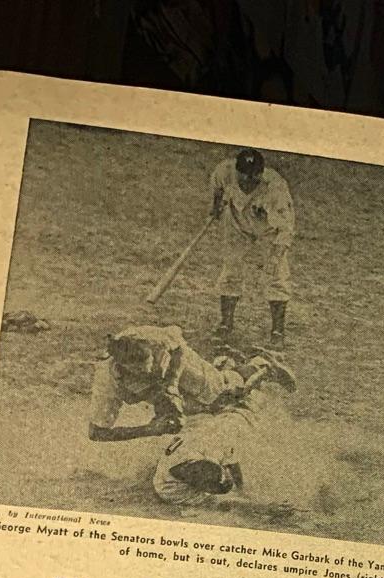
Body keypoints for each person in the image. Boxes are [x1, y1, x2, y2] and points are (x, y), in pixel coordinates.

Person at [86, 325, 290, 442]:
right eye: (137, 369)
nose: (146, 370)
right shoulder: (107, 382)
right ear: (121, 365)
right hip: (147, 389)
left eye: (147, 362)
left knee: (218, 395)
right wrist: (148, 430)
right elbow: (96, 433)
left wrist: (172, 383)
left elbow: (178, 349)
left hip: (176, 365)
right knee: (187, 418)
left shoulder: (151, 337)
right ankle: (229, 362)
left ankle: (261, 365)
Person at [150, 375, 298, 516]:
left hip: (211, 423)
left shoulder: (210, 449)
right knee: (250, 408)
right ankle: (259, 376)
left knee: (233, 400)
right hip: (212, 426)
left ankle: (253, 373)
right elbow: (228, 503)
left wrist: (241, 488)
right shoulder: (171, 491)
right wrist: (265, 508)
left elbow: (231, 460)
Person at [210, 148, 295, 344]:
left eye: (253, 179)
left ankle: (277, 333)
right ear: (237, 171)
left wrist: (275, 257)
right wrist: (215, 208)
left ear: (260, 174)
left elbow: (286, 229)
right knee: (231, 268)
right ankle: (226, 324)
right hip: (237, 222)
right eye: (243, 178)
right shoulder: (225, 171)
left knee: (277, 275)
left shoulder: (276, 188)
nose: (247, 183)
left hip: (268, 229)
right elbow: (217, 186)